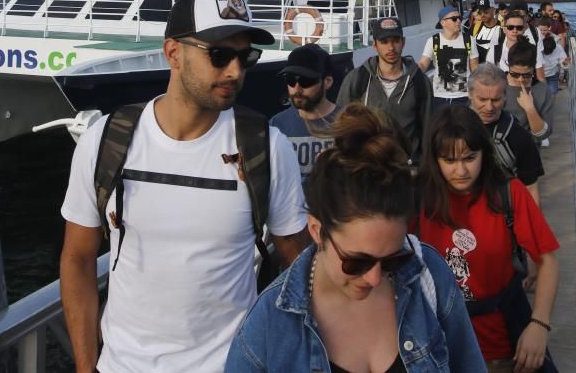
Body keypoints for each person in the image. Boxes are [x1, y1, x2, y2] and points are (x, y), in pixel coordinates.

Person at [60, 0, 308, 372]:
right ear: (173, 53)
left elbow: (299, 263)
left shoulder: (267, 148)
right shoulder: (106, 141)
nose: (235, 71)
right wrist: (83, 365)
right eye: (220, 55)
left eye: (246, 57)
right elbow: (77, 257)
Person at [226, 104, 485, 372]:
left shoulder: (429, 273)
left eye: (392, 261)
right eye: (356, 262)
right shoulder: (270, 322)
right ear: (317, 231)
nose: (374, 278)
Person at [417, 105, 559, 371]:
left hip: (503, 348)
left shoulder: (510, 193)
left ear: (485, 152)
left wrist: (539, 324)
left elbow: (548, 261)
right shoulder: (418, 201)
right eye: (449, 160)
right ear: (434, 159)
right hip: (438, 347)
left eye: (470, 157)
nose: (461, 170)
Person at [337, 16, 433, 164]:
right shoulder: (357, 79)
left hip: (406, 170)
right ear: (374, 45)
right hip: (367, 168)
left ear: (403, 42)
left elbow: (428, 130)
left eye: (396, 40)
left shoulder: (420, 82)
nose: (391, 48)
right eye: (384, 41)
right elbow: (342, 126)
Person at [468, 64, 544, 205]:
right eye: (482, 100)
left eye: (495, 100)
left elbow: (531, 189)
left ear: (505, 96)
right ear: (469, 94)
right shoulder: (453, 128)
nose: (489, 107)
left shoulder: (520, 137)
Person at [270, 44, 341, 179]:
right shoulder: (275, 125)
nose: (297, 88)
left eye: (306, 80)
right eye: (290, 80)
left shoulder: (350, 124)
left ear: (327, 82)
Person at [419, 6, 479, 106]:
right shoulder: (433, 41)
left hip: (464, 97)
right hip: (439, 97)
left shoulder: (469, 40)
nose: (459, 21)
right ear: (443, 22)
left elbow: (475, 67)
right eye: (454, 19)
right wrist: (410, 75)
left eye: (459, 18)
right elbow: (423, 64)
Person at [504, 38, 554, 148]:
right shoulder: (496, 84)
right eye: (515, 74)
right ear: (508, 66)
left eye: (527, 75)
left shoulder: (542, 90)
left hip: (529, 153)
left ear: (534, 69)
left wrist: (530, 109)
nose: (520, 80)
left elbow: (543, 134)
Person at [492, 8, 546, 81]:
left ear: (523, 30)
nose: (515, 31)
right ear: (504, 29)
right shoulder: (495, 50)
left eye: (519, 28)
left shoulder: (533, 51)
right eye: (510, 27)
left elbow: (541, 78)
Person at [471, 0, 501, 64]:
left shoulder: (502, 27)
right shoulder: (475, 26)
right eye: (480, 12)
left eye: (486, 11)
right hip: (479, 70)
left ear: (494, 10)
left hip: (496, 70)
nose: (482, 15)